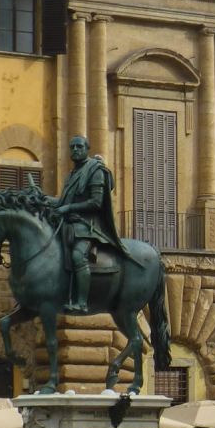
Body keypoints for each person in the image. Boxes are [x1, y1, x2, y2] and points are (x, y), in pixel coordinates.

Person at [50, 133, 126, 312]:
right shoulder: (72, 174)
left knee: (78, 257)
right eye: (72, 147)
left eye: (79, 146)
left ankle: (82, 303)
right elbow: (62, 202)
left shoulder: (95, 170)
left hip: (88, 227)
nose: (75, 150)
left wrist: (68, 209)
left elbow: (96, 202)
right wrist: (42, 199)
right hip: (70, 225)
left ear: (87, 149)